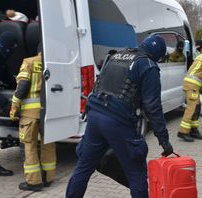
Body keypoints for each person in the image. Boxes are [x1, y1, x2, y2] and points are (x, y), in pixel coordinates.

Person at [65, 35, 173, 198]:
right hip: (117, 120)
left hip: (94, 115)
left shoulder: (116, 55)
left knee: (83, 166)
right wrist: (164, 140)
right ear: (158, 54)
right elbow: (153, 107)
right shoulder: (148, 66)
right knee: (136, 171)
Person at [10, 43, 56, 191]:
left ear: (37, 51)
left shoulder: (29, 62)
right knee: (48, 144)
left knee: (29, 145)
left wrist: (14, 105)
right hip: (48, 112)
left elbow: (23, 85)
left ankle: (34, 182)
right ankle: (48, 178)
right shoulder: (54, 64)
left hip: (30, 114)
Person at [0, 31, 17, 176]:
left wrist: (17, 84)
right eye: (13, 47)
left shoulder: (0, 54)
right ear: (8, 46)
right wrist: (3, 103)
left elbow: (5, 74)